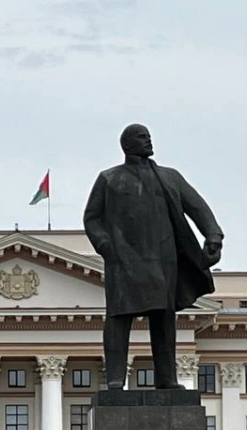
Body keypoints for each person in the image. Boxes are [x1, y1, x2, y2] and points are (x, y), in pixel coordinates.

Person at [83, 123, 224, 389]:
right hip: (124, 258)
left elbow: (197, 205)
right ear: (126, 145)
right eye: (142, 137)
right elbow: (92, 218)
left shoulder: (169, 177)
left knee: (163, 319)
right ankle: (115, 378)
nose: (148, 141)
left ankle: (167, 379)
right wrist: (106, 247)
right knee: (118, 317)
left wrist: (213, 235)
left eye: (148, 137)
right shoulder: (109, 178)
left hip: (163, 258)